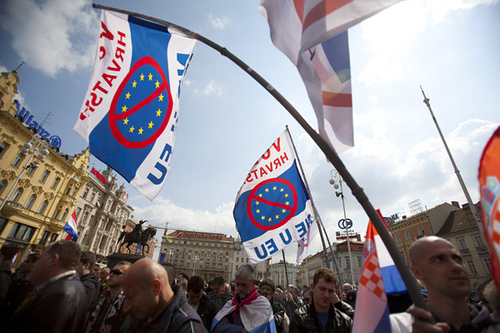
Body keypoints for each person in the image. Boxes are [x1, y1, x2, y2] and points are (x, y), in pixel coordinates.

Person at [395, 236, 497, 332]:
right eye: (438, 259)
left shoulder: (495, 326)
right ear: (418, 272)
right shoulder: (401, 328)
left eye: (457, 259)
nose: (456, 266)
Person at [6, 240, 87, 332]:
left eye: (41, 258)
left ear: (53, 259)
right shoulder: (71, 287)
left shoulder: (60, 294)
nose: (36, 264)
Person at [121, 258, 206, 332]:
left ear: (156, 286)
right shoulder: (142, 315)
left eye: (131, 296)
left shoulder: (188, 327)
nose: (125, 308)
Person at [212, 264, 275, 332]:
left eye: (243, 285)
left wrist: (228, 327)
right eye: (237, 284)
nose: (239, 288)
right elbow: (217, 327)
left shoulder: (263, 305)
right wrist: (240, 330)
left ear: (253, 282)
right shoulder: (231, 303)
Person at [289, 268, 352, 333]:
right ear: (312, 287)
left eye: (330, 291)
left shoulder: (344, 321)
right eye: (322, 289)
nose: (326, 295)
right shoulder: (299, 318)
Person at [85, 261, 132, 333]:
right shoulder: (101, 297)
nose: (112, 274)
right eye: (112, 271)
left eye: (117, 272)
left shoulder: (127, 304)